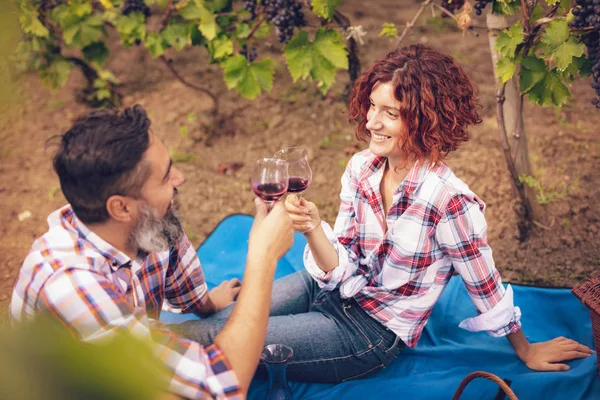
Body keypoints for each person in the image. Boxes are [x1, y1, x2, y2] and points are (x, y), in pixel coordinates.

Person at [174, 44, 594, 383]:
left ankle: (120, 354)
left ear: (426, 120)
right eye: (373, 106)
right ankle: (119, 346)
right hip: (328, 287)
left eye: (390, 113)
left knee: (217, 338)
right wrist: (313, 229)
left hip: (367, 334)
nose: (372, 121)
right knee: (227, 319)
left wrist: (526, 348)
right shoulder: (362, 167)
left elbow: (483, 282)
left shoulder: (448, 201)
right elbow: (340, 258)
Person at [9, 105, 294, 399]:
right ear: (121, 207)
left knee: (238, 319)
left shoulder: (151, 221)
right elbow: (221, 387)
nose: (180, 178)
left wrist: (208, 303)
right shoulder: (71, 286)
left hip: (124, 353)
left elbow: (184, 286)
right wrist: (263, 257)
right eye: (166, 177)